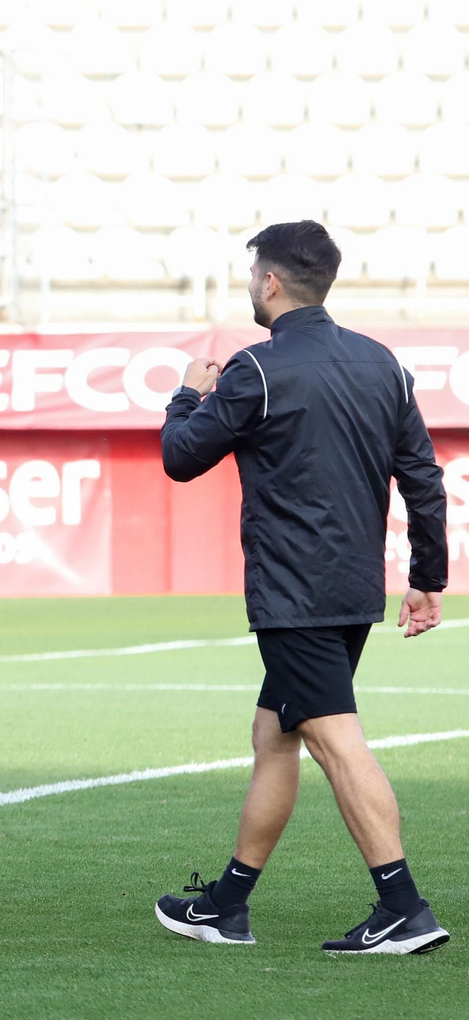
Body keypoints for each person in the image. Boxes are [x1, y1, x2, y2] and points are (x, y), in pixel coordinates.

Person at [155, 220, 451, 955]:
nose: (251, 283)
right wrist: (427, 579)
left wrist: (187, 395)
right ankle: (227, 904)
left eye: (253, 272)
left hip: (296, 594)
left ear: (271, 282)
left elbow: (181, 459)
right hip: (353, 591)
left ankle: (403, 907)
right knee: (275, 733)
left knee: (335, 741)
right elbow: (422, 476)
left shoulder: (255, 369)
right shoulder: (382, 362)